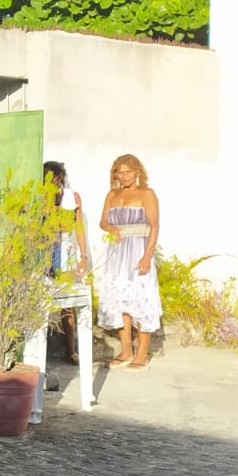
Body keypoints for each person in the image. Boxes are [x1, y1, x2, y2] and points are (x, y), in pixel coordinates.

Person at [97, 153, 162, 370]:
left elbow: (154, 226)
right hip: (117, 253)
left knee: (141, 299)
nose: (123, 176)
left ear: (137, 172)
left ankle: (142, 352)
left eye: (128, 171)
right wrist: (111, 228)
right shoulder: (111, 195)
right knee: (120, 300)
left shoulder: (146, 193)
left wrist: (147, 255)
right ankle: (126, 351)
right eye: (119, 172)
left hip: (138, 250)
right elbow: (103, 222)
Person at [44, 161, 91, 363]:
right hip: (44, 252)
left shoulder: (72, 197)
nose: (56, 184)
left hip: (66, 252)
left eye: (58, 179)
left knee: (68, 304)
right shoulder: (41, 198)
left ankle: (71, 349)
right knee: (41, 303)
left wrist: (83, 255)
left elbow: (78, 227)